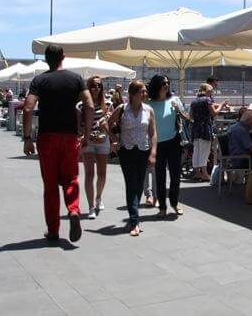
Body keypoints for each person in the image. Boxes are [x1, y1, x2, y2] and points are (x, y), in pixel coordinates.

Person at [23, 45, 93, 243]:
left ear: (46, 59)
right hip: (70, 136)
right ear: (63, 57)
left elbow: (28, 108)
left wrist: (27, 138)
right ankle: (73, 210)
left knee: (51, 185)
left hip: (47, 137)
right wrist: (86, 134)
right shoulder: (76, 79)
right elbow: (89, 104)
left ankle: (53, 230)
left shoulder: (39, 80)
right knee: (71, 179)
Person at [109, 80, 156, 235]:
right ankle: (135, 221)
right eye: (142, 91)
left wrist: (153, 152)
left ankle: (133, 214)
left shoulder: (149, 110)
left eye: (145, 91)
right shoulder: (122, 109)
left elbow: (153, 132)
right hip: (126, 151)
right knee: (131, 184)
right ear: (133, 94)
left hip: (143, 150)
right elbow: (107, 124)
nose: (145, 94)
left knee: (139, 185)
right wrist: (114, 139)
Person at [147, 74, 188, 217]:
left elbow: (188, 118)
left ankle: (175, 203)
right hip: (157, 144)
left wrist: (179, 110)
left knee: (175, 175)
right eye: (163, 82)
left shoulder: (174, 100)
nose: (166, 85)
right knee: (160, 176)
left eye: (168, 82)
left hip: (174, 142)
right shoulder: (149, 104)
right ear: (156, 85)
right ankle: (162, 207)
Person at [79, 76, 113, 219]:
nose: (96, 88)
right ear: (88, 87)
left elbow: (109, 124)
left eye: (99, 86)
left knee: (102, 174)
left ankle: (98, 198)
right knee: (89, 174)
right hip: (88, 141)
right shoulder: (81, 105)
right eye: (93, 85)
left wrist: (107, 120)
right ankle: (91, 206)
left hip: (103, 139)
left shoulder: (107, 104)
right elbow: (78, 126)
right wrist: (86, 135)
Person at [228, 110, 252, 204]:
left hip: (234, 157)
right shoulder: (242, 131)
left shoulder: (233, 127)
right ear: (248, 121)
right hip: (242, 159)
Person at [189, 83, 221, 182]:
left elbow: (190, 116)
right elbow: (214, 113)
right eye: (211, 90)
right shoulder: (207, 99)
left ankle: (197, 172)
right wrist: (221, 105)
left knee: (197, 151)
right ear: (207, 91)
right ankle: (205, 174)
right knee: (204, 151)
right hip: (205, 128)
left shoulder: (194, 101)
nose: (212, 92)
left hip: (196, 128)